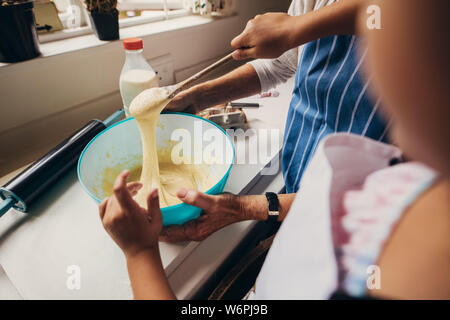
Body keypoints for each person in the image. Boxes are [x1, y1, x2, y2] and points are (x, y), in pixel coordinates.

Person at [98, 0, 450, 299]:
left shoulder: (381, 227)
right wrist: (200, 95)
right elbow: (286, 61)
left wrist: (140, 253)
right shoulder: (376, 188)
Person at [161, 0, 389, 242]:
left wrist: (243, 208)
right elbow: (280, 63)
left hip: (364, 234)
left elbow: (367, 201)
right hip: (299, 185)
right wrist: (199, 97)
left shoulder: (418, 20)